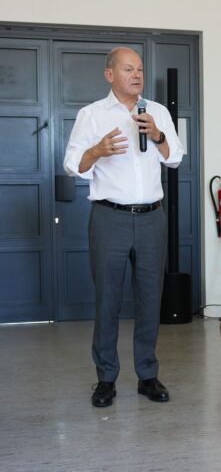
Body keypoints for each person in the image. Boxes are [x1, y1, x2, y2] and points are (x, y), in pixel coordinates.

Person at [63, 47, 184, 407]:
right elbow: (73, 164)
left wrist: (159, 135)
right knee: (108, 301)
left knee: (150, 300)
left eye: (141, 69)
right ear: (110, 75)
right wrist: (97, 151)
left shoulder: (156, 111)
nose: (137, 75)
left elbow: (175, 157)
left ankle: (147, 375)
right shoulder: (92, 115)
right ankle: (105, 379)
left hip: (152, 218)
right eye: (129, 69)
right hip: (109, 218)